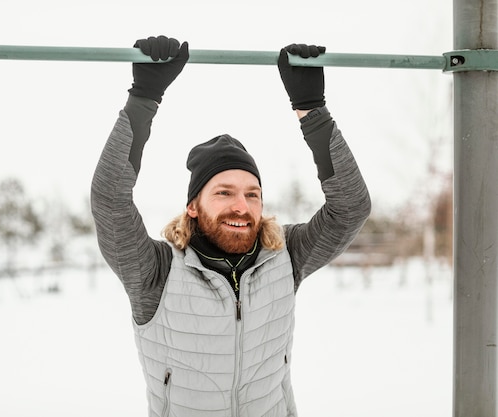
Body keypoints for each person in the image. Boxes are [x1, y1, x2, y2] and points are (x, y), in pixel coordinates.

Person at [91, 35, 371, 417]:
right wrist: (143, 98)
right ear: (192, 206)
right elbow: (110, 199)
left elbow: (351, 207)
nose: (242, 206)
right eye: (224, 192)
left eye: (252, 194)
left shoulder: (285, 255)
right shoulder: (154, 271)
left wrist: (312, 110)